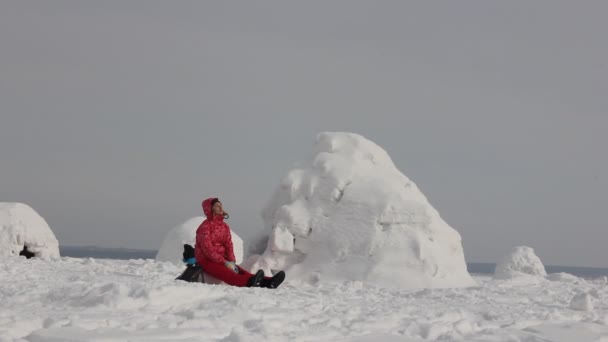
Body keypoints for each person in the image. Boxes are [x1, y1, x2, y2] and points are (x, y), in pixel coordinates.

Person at [195, 198, 285, 288]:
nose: (220, 207)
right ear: (210, 209)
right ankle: (250, 282)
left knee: (241, 272)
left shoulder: (224, 226)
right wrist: (225, 262)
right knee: (228, 274)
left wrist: (231, 261)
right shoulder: (205, 227)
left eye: (220, 205)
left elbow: (228, 244)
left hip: (222, 259)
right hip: (206, 260)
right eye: (216, 206)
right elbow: (207, 250)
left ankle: (268, 282)